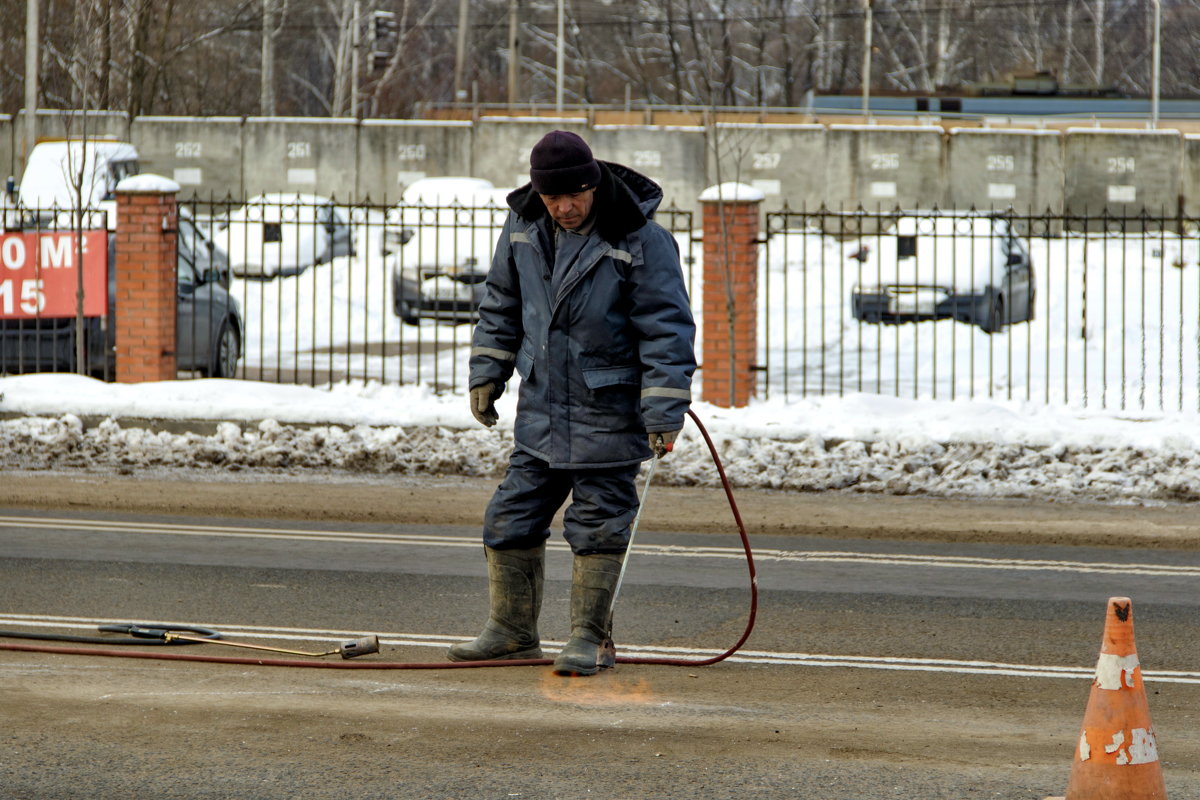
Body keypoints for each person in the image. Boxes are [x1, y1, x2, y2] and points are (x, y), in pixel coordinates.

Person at [447, 130, 696, 677]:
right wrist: (487, 373)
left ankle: (590, 637)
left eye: (573, 197)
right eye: (551, 198)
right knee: (510, 518)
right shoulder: (523, 226)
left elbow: (666, 331)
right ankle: (511, 633)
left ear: (594, 184)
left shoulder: (641, 239)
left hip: (608, 413)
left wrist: (663, 411)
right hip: (541, 411)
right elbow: (501, 304)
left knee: (600, 524)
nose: (563, 208)